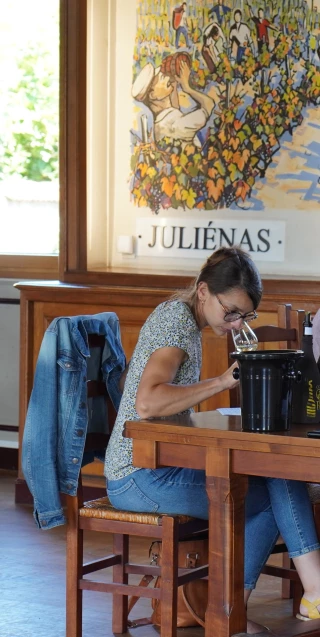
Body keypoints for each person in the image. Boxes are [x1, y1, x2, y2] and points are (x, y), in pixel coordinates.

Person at [105, 246, 320, 630]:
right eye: (232, 312)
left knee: (272, 478)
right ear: (203, 291)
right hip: (138, 475)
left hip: (158, 466)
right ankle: (234, 612)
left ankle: (236, 611)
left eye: (245, 315)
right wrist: (222, 381)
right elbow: (148, 403)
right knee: (271, 493)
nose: (237, 324)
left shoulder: (186, 320)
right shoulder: (176, 323)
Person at [131, 57, 215, 147]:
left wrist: (173, 86)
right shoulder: (175, 126)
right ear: (153, 95)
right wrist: (187, 88)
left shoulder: (162, 122)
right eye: (163, 77)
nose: (168, 76)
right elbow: (209, 104)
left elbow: (174, 110)